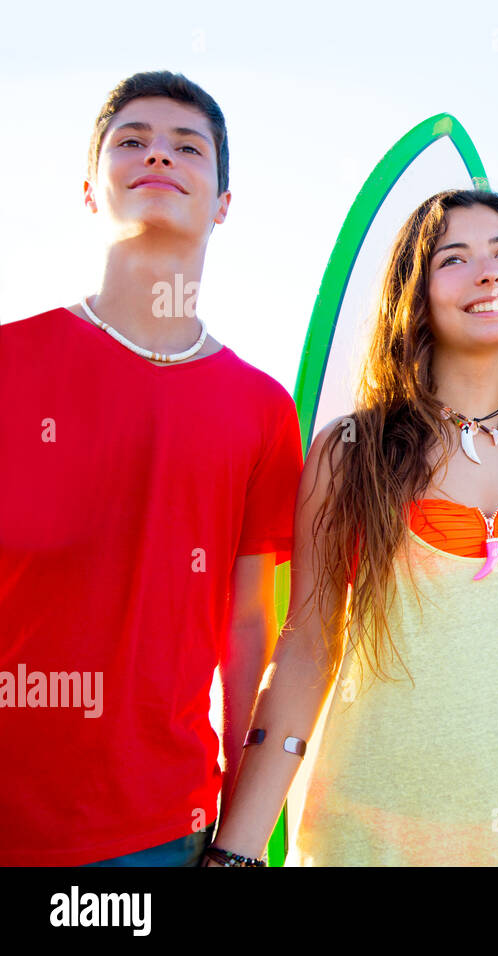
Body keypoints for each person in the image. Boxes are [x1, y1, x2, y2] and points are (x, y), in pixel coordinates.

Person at [207, 190, 498, 866]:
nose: (488, 272)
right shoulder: (354, 449)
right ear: (416, 295)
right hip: (366, 832)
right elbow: (306, 648)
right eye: (456, 258)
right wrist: (237, 851)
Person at [0, 72, 302, 866]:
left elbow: (250, 629)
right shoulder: (8, 362)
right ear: (92, 191)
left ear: (223, 203)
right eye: (130, 140)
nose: (157, 155)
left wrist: (240, 836)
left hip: (163, 836)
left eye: (186, 145)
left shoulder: (263, 409)